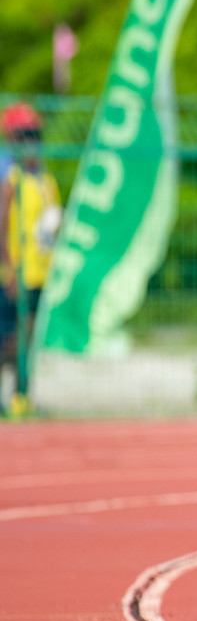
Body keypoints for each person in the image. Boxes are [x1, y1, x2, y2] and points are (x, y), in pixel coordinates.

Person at [0, 103, 60, 413]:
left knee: (29, 339)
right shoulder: (10, 177)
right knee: (9, 337)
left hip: (40, 273)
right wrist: (8, 268)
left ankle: (21, 395)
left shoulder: (44, 180)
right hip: (15, 274)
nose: (31, 144)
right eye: (24, 137)